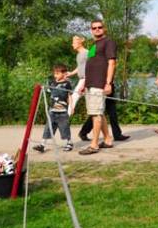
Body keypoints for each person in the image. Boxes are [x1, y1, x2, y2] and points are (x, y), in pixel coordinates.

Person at [78, 20, 116, 155]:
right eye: (94, 28)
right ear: (91, 30)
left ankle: (94, 145)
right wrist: (85, 84)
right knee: (98, 112)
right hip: (90, 84)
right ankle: (107, 139)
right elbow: (91, 65)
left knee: (96, 114)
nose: (97, 29)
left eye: (100, 27)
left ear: (104, 28)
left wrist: (108, 83)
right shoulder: (94, 45)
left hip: (99, 83)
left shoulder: (108, 42)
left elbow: (112, 63)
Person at [33, 64, 74, 152]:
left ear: (64, 74)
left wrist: (71, 107)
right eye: (55, 73)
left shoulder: (67, 84)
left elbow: (69, 96)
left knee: (64, 128)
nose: (55, 75)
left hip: (62, 111)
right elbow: (47, 90)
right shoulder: (52, 83)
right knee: (48, 127)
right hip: (52, 111)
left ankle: (69, 143)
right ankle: (42, 145)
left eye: (57, 73)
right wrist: (41, 86)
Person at [66, 35, 87, 117]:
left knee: (74, 97)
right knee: (75, 97)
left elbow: (91, 67)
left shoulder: (87, 53)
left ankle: (65, 118)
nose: (72, 44)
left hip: (86, 79)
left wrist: (85, 83)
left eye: (74, 42)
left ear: (80, 42)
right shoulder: (78, 55)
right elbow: (80, 67)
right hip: (82, 79)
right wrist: (71, 73)